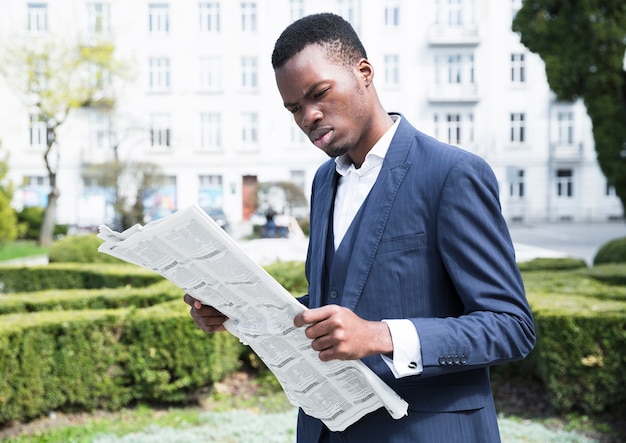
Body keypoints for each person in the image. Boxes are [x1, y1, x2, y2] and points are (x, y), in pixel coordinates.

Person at [185, 12, 535, 443]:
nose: (308, 117)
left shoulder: (452, 174)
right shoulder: (323, 181)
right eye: (294, 108)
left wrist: (381, 336)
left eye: (319, 94)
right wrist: (237, 310)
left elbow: (511, 326)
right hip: (326, 429)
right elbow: (338, 301)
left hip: (426, 432)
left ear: (363, 73)